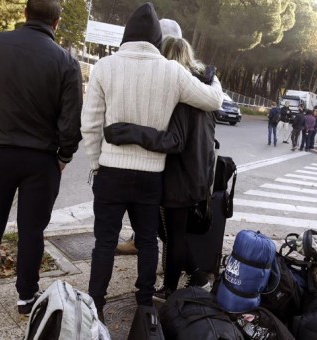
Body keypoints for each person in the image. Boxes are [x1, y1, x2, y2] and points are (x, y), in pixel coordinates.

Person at [81, 2, 223, 319]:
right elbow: (213, 100)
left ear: (126, 35)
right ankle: (145, 304)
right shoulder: (171, 71)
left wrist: (96, 164)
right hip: (150, 177)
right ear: (156, 39)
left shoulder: (105, 66)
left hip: (111, 173)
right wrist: (213, 78)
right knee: (148, 242)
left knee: (104, 243)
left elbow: (89, 124)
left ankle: (96, 307)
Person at [0, 0, 83, 317]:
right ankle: (26, 297)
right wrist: (64, 154)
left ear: (25, 15)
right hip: (41, 162)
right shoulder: (67, 62)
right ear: (56, 23)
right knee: (32, 231)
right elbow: (70, 120)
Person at [104, 35, 217, 300]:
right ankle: (198, 277)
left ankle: (170, 289)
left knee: (172, 234)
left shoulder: (179, 92)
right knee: (169, 232)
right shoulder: (203, 88)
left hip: (180, 175)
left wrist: (129, 132)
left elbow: (173, 141)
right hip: (198, 172)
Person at [114, 17, 186, 257]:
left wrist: (131, 132)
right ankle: (142, 240)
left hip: (169, 160)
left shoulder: (177, 75)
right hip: (157, 157)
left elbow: (174, 137)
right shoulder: (162, 69)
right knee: (149, 211)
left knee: (161, 220)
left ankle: (189, 268)